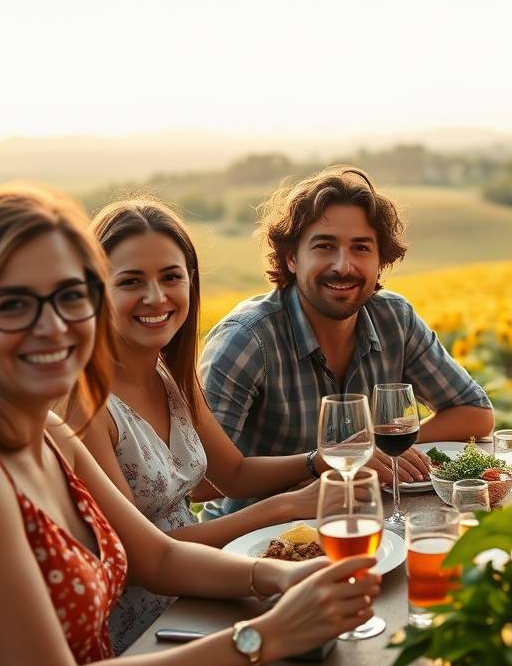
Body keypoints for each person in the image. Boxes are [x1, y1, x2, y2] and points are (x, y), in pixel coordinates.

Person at [0, 184, 379, 666]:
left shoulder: (48, 435)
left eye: (71, 296)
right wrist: (266, 637)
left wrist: (278, 578)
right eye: (14, 304)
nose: (54, 326)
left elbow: (158, 557)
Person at [71, 198, 327, 653]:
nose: (156, 297)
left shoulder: (168, 373)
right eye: (131, 281)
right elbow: (143, 557)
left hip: (200, 593)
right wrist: (285, 507)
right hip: (141, 632)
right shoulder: (85, 405)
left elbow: (232, 474)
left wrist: (319, 461)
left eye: (171, 277)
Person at [199, 166, 494, 517]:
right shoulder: (246, 340)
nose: (344, 265)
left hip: (364, 518)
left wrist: (370, 448)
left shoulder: (393, 319)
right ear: (291, 257)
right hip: (258, 540)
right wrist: (333, 460)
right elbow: (200, 481)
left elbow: (475, 414)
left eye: (361, 248)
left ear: (380, 261)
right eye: (324, 246)